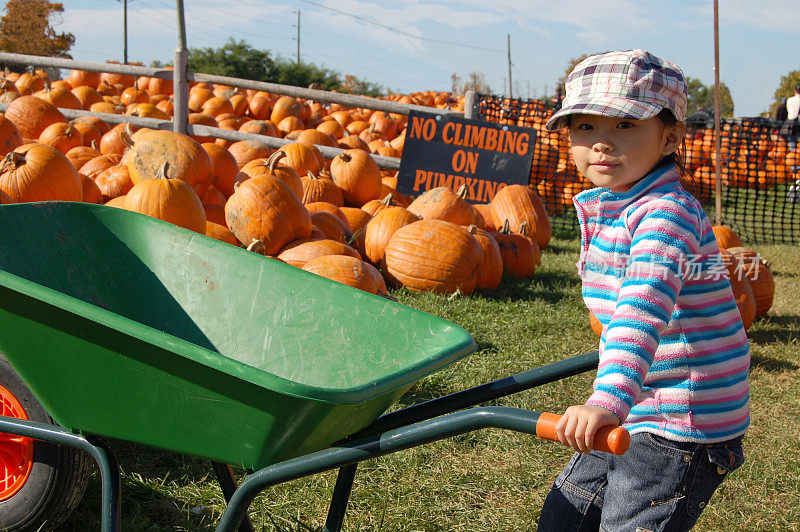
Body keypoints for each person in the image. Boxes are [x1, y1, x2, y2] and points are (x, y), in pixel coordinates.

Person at [537, 49, 750, 532]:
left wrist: (605, 402)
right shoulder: (614, 203)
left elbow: (640, 309)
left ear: (670, 136)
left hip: (683, 415)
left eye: (625, 126)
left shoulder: (664, 214)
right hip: (641, 396)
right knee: (563, 519)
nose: (601, 144)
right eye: (585, 128)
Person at [786, 84, 800, 151]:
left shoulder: (789, 100)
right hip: (798, 121)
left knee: (792, 142)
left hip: (790, 122)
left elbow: (789, 111)